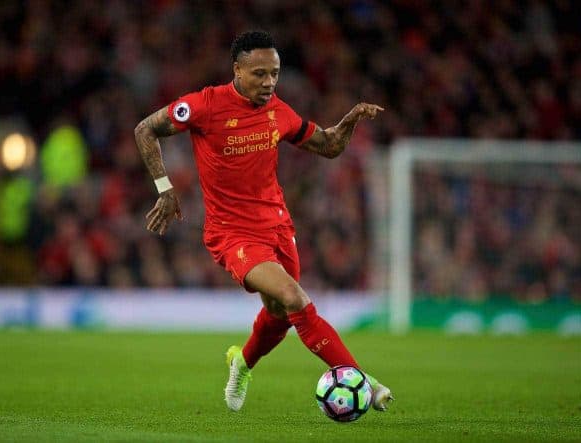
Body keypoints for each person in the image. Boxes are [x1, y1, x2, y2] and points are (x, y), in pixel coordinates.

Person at [134, 30, 393, 412]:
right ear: (236, 70)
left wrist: (349, 121)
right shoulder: (205, 105)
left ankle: (242, 363)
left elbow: (329, 146)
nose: (269, 82)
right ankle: (360, 378)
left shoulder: (279, 112)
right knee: (293, 298)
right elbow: (146, 129)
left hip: (277, 227)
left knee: (279, 314)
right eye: (259, 73)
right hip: (232, 233)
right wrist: (165, 189)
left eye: (274, 73)